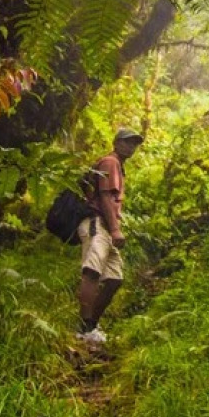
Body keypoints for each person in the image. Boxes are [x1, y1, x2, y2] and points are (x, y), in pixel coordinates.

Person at [75, 126, 145, 345]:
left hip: (106, 225)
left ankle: (91, 326)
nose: (131, 146)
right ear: (116, 143)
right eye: (127, 141)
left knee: (114, 278)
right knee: (93, 271)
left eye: (134, 143)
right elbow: (105, 197)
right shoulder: (110, 162)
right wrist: (115, 229)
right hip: (97, 223)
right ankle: (84, 328)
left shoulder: (117, 165)